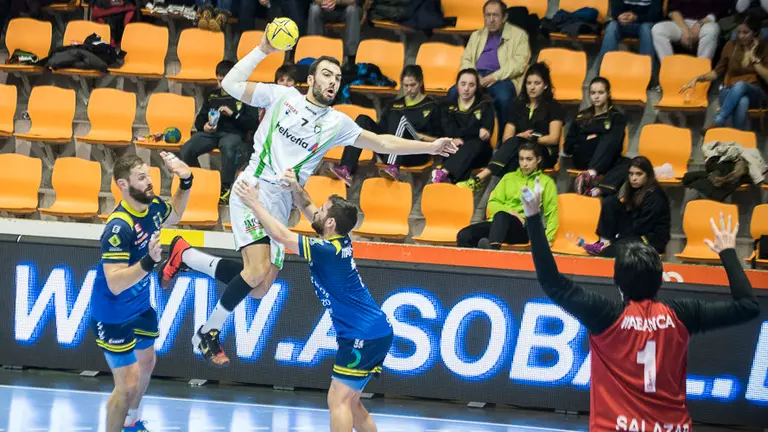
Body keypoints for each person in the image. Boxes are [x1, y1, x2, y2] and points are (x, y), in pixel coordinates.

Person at [158, 29, 456, 368]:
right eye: (326, 74)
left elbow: (383, 143)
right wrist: (262, 49)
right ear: (311, 78)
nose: (332, 81)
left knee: (258, 288)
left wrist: (430, 146)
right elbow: (230, 86)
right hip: (252, 189)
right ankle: (208, 333)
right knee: (254, 271)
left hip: (282, 203)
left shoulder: (336, 123)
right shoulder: (282, 97)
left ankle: (186, 255)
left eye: (338, 78)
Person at [520, 176, 760, 432]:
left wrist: (534, 218)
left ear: (617, 282)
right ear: (660, 279)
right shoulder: (682, 314)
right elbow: (748, 306)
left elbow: (551, 282)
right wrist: (727, 252)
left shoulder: (606, 316)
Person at [231, 171, 392, 432]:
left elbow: (282, 236)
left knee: (337, 400)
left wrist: (253, 203)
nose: (316, 211)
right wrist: (295, 187)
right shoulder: (339, 239)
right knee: (351, 403)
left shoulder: (325, 250)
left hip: (361, 334)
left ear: (330, 223)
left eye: (322, 210)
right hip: (375, 331)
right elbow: (308, 207)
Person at [91, 153, 192, 432]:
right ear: (123, 184)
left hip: (139, 304)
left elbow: (175, 214)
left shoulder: (152, 207)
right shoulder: (119, 226)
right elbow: (115, 283)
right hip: (112, 312)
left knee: (147, 361)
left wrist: (185, 181)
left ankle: (131, 422)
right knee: (127, 385)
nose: (150, 182)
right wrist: (149, 262)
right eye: (141, 177)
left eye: (148, 175)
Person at [457, 62, 563, 191]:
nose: (532, 87)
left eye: (537, 83)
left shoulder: (554, 106)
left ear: (545, 85)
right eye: (529, 83)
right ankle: (502, 200)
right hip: (518, 150)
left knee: (517, 147)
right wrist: (521, 138)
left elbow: (554, 138)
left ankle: (481, 179)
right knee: (515, 156)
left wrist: (531, 139)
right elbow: (507, 137)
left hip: (544, 151)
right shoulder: (517, 105)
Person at [330, 65, 443, 185]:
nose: (409, 89)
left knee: (400, 118)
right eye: (405, 86)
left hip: (416, 153)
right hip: (389, 148)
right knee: (362, 120)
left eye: (412, 85)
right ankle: (346, 169)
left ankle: (393, 166)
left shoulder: (432, 106)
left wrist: (422, 137)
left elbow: (440, 140)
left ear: (420, 83)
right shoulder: (394, 105)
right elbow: (381, 131)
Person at [180, 60, 260, 205]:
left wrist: (233, 115)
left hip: (234, 135)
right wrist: (204, 126)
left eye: (225, 80)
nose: (221, 84)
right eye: (219, 79)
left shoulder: (245, 95)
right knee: (187, 149)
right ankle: (200, 182)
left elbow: (252, 123)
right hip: (211, 134)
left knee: (229, 148)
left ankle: (224, 188)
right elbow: (200, 120)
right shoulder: (213, 95)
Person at [456, 142, 558, 249]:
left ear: (538, 160)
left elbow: (552, 213)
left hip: (524, 228)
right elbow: (493, 203)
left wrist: (548, 238)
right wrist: (511, 212)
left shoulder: (546, 182)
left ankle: (492, 252)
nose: (524, 164)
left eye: (529, 159)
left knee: (501, 215)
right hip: (498, 224)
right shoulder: (508, 178)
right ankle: (477, 260)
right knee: (464, 235)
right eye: (521, 159)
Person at [681, 14, 768, 131]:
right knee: (742, 101)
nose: (741, 36)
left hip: (755, 93)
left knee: (741, 85)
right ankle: (738, 139)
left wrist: (754, 58)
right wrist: (697, 78)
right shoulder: (730, 46)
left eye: (746, 32)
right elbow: (717, 72)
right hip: (729, 90)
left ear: (755, 33)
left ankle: (718, 120)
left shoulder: (764, 48)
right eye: (739, 32)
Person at [574, 156, 671, 257]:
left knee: (609, 253)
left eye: (639, 174)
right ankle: (602, 243)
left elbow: (641, 227)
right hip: (635, 233)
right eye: (631, 174)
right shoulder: (634, 189)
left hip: (650, 239)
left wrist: (615, 241)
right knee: (610, 202)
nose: (634, 178)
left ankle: (606, 247)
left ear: (648, 175)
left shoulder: (655, 196)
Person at [453, 0, 530, 125]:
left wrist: (494, 77)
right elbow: (466, 59)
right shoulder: (476, 35)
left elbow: (519, 64)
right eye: (488, 15)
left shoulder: (519, 36)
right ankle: (455, 135)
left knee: (504, 98)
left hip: (503, 78)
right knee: (452, 93)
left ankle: (502, 139)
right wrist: (473, 77)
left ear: (504, 17)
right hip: (476, 77)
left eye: (495, 15)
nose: (491, 20)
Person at [564, 77, 629, 196]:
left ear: (608, 94)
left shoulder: (616, 117)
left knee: (629, 163)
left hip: (608, 159)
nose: (596, 96)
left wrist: (595, 138)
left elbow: (616, 144)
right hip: (584, 158)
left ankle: (594, 190)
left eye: (601, 92)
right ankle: (591, 172)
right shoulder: (581, 116)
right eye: (593, 93)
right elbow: (567, 147)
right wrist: (586, 140)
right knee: (605, 137)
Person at [432, 68, 495, 184]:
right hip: (455, 149)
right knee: (460, 153)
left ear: (476, 87)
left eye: (471, 85)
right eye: (463, 84)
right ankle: (451, 181)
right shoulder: (447, 107)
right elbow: (449, 131)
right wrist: (475, 131)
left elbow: (485, 135)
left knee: (475, 143)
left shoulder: (485, 105)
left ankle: (444, 171)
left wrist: (462, 136)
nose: (466, 89)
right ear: (457, 85)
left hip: (479, 153)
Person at [651, 0, 731, 63]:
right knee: (658, 29)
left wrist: (699, 24)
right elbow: (673, 10)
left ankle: (701, 74)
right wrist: (684, 30)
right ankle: (669, 70)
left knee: (712, 30)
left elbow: (720, 9)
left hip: (706, 22)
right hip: (681, 22)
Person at [597, 0, 663, 69]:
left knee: (645, 29)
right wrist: (620, 16)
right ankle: (605, 70)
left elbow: (655, 15)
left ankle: (647, 70)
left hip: (646, 23)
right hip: (624, 23)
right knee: (611, 26)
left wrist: (636, 17)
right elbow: (615, 12)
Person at [307, 0, 363, 66]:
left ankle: (351, 57)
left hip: (346, 9)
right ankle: (314, 54)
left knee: (352, 10)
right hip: (325, 8)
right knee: (314, 9)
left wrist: (336, 1)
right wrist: (324, 2)